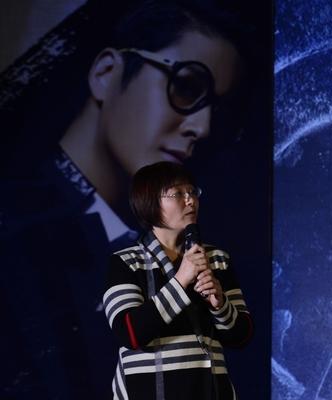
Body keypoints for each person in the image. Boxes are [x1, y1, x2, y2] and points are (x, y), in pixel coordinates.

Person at [0, 1, 264, 398]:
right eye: (187, 87)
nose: (203, 127)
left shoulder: (190, 251)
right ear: (106, 73)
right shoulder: (16, 227)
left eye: (219, 111)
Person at [103, 161, 252, 399]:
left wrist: (220, 305)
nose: (190, 200)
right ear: (150, 201)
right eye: (178, 193)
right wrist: (181, 280)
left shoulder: (216, 259)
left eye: (192, 191)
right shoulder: (126, 262)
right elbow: (129, 333)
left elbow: (241, 336)